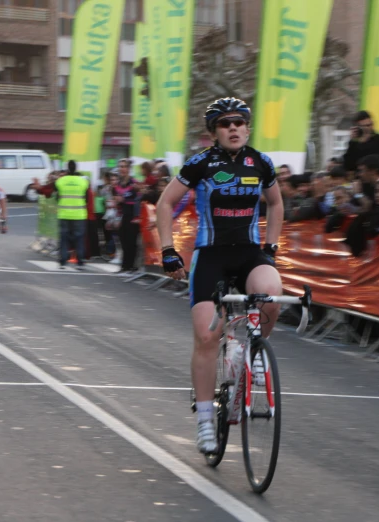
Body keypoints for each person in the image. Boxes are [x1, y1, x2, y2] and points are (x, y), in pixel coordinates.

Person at [155, 97, 283, 454]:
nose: (233, 128)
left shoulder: (261, 162)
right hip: (210, 256)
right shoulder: (200, 164)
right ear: (214, 132)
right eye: (225, 123)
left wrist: (271, 248)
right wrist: (168, 249)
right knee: (207, 336)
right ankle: (206, 420)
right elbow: (165, 203)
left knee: (272, 295)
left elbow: (275, 203)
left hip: (249, 253)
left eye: (239, 122)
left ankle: (253, 355)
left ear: (247, 127)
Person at [114, 158, 140, 274]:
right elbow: (116, 201)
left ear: (129, 169)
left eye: (124, 166)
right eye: (120, 166)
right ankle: (124, 266)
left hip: (132, 214)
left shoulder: (134, 183)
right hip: (122, 214)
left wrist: (124, 199)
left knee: (131, 241)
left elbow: (138, 199)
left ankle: (130, 266)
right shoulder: (117, 185)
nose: (122, 169)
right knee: (123, 241)